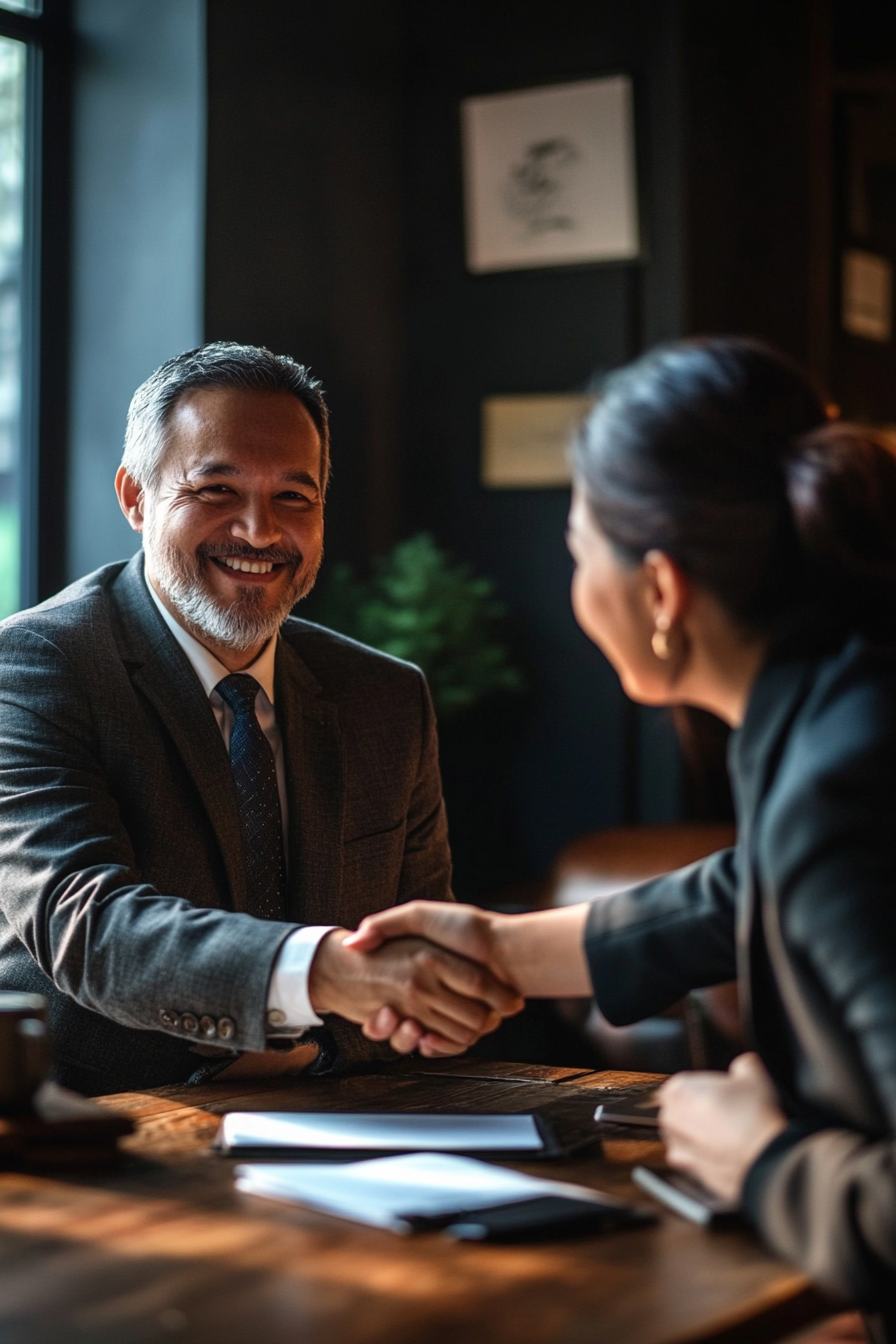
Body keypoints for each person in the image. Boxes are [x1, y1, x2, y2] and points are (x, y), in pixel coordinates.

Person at [347, 337, 896, 1336]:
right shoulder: (842, 712)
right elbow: (752, 887)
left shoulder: (839, 779)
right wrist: (502, 947)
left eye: (574, 551)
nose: (571, 583)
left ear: (658, 592)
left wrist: (761, 1162)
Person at [0, 342, 520, 1096]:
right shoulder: (35, 666)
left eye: (294, 498)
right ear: (136, 497)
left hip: (342, 1114)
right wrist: (325, 972)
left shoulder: (385, 696)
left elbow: (419, 962)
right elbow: (88, 928)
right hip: (99, 1131)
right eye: (217, 490)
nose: (259, 531)